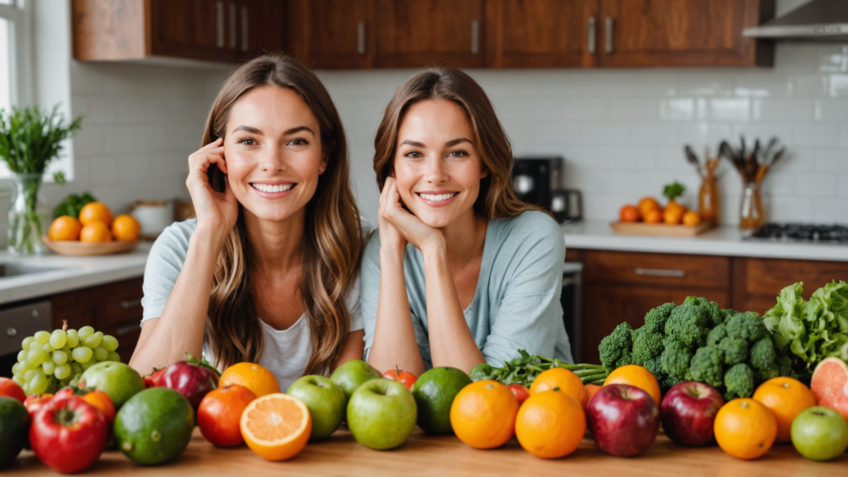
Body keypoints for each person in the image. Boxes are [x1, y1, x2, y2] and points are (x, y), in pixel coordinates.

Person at [130, 54, 364, 391]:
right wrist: (209, 234)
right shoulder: (179, 247)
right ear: (220, 153)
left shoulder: (358, 252)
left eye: (296, 141)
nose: (272, 164)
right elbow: (149, 392)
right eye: (248, 141)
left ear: (325, 156)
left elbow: (348, 400)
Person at [361, 67, 573, 376]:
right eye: (414, 154)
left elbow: (487, 405)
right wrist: (391, 252)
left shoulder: (534, 238)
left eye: (457, 153)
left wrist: (434, 250)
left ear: (484, 163)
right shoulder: (381, 250)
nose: (435, 175)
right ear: (392, 168)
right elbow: (392, 394)